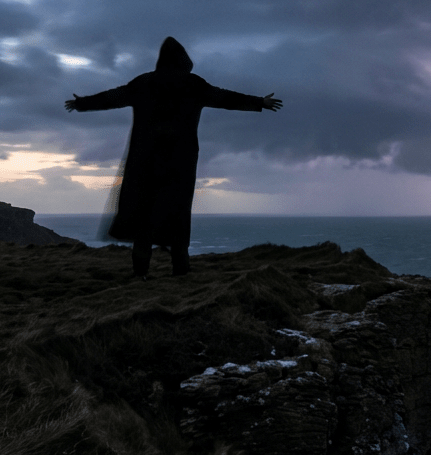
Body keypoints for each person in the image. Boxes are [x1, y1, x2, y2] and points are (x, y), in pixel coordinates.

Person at [65, 36, 281, 278]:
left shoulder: (144, 83)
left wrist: (81, 103)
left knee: (143, 216)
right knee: (178, 215)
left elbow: (114, 97)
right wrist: (260, 102)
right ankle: (181, 270)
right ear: (183, 60)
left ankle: (140, 273)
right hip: (180, 162)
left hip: (144, 161)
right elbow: (224, 98)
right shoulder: (192, 84)